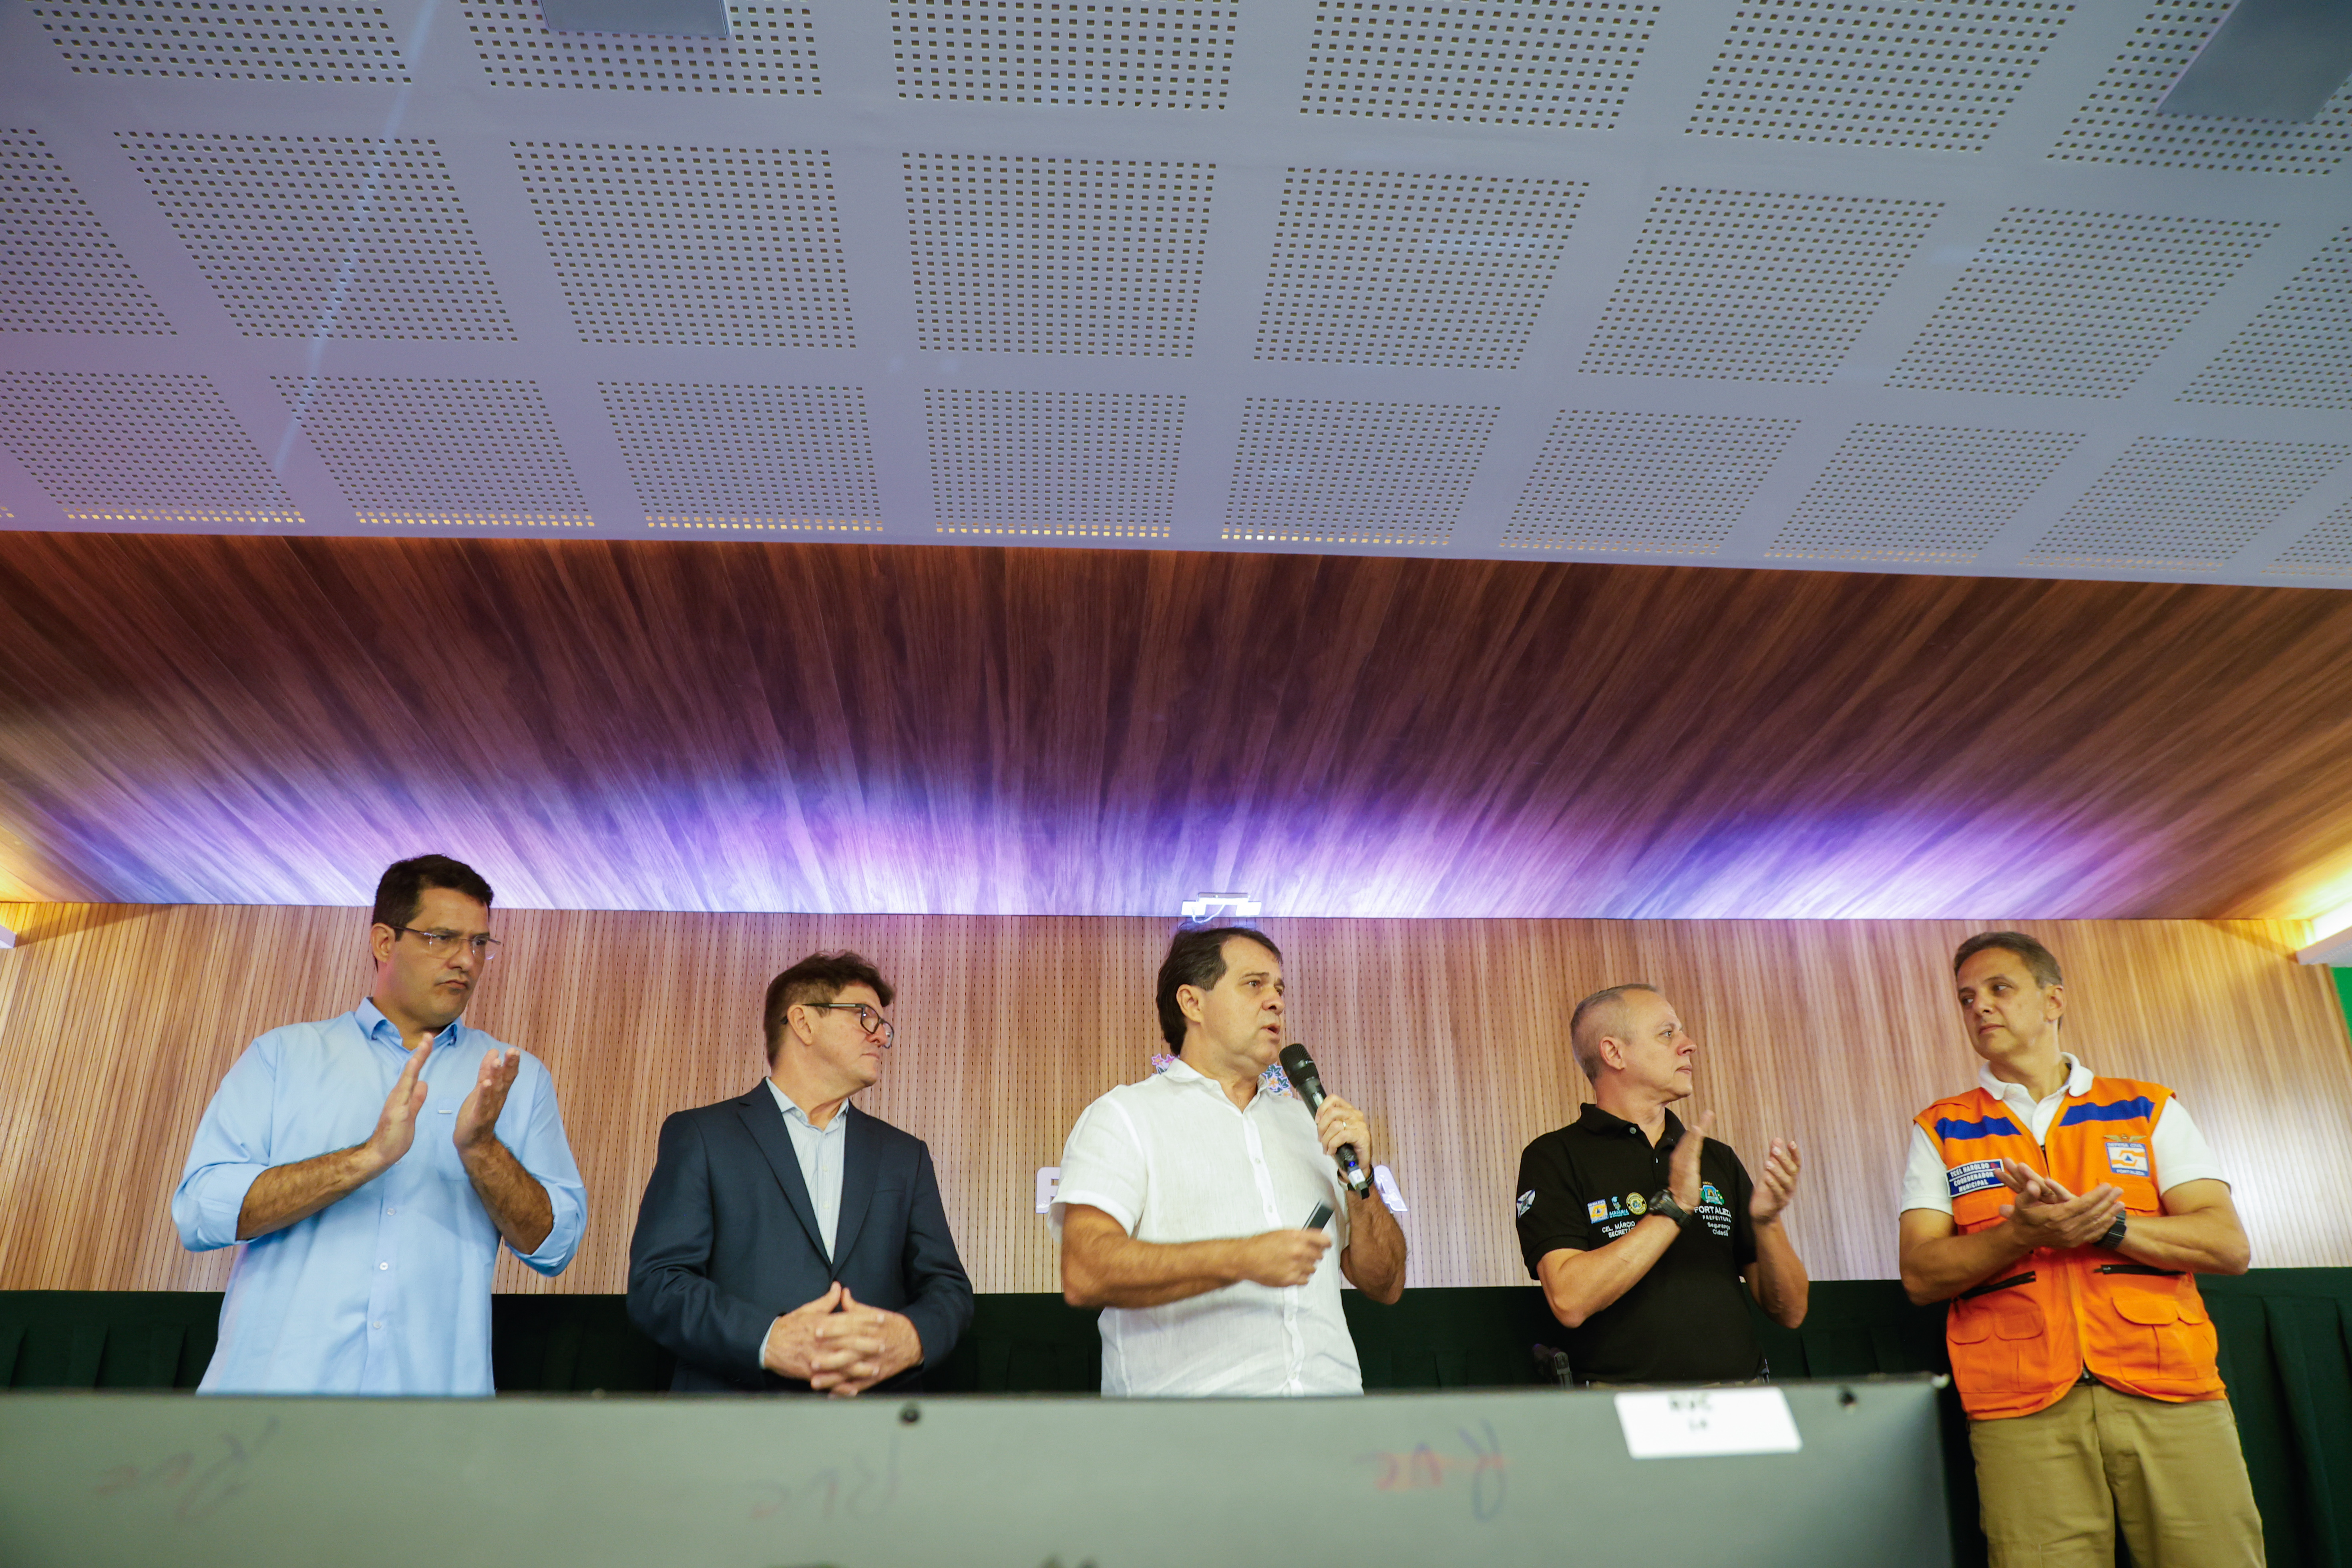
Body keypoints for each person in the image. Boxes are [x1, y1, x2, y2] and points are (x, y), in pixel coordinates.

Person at [1898, 931, 2261, 1568]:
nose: (1978, 1007)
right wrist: (2021, 1235)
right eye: (1964, 998)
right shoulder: (1941, 1127)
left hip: (2170, 1391)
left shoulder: (2145, 1108)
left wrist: (2107, 1228)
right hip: (2019, 1408)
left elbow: (2227, 1245)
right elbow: (1921, 1276)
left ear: (2052, 1001)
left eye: (1998, 989)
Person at [172, 854, 585, 1395]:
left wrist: (482, 1149)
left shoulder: (513, 1076)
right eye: (442, 938)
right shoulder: (284, 1055)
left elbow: (555, 1247)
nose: (466, 960)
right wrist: (367, 1158)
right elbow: (201, 1213)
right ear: (385, 943)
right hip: (271, 1403)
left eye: (480, 943)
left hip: (430, 1415)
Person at [1053, 925, 1406, 1397]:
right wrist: (1242, 1257)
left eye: (1280, 989)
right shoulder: (1125, 1117)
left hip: (1330, 1426)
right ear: (1192, 1003)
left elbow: (1386, 1284)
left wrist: (1357, 1180)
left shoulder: (1313, 1124)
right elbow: (1086, 1271)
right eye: (1254, 984)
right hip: (1191, 1439)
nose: (1277, 1001)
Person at [627, 951, 972, 1394]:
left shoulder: (906, 1155)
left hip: (872, 1434)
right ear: (804, 1022)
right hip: (733, 1430)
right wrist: (768, 1341)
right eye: (866, 1017)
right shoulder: (701, 1134)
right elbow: (658, 1284)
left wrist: (911, 1337)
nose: (882, 1038)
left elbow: (949, 1289)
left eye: (884, 1027)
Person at [1514, 983, 1807, 1384]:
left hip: (1742, 1402)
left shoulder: (1716, 1158)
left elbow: (1790, 1311)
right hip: (1621, 1413)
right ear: (1614, 1052)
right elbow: (1570, 1299)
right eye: (1667, 1033)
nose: (1689, 1045)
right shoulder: (1554, 1156)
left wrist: (1768, 1223)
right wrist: (1674, 1207)